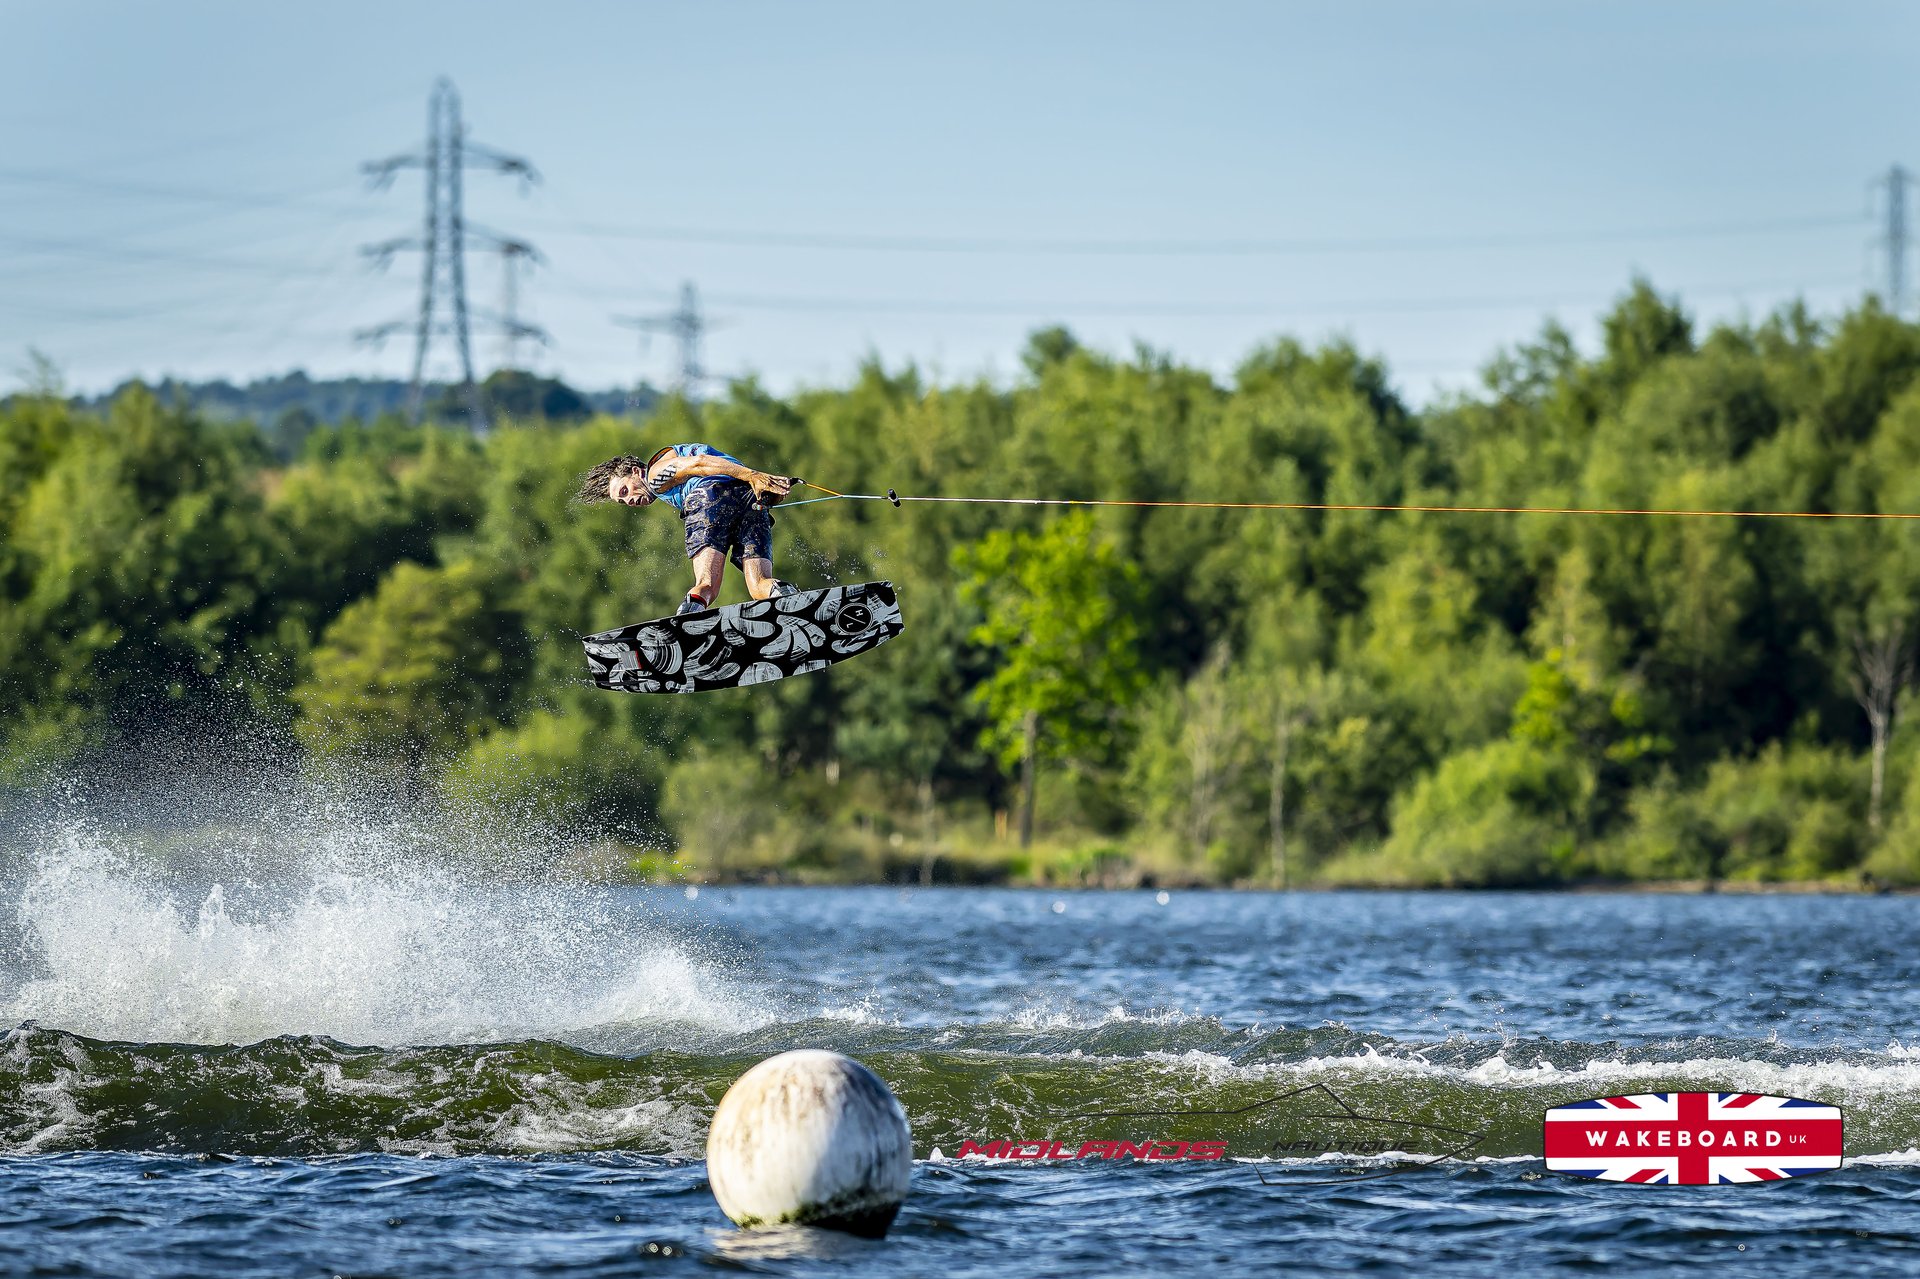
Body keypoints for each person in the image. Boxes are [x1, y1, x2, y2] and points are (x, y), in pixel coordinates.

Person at [577, 444, 799, 615]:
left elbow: (698, 463)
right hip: (749, 497)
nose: (630, 501)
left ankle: (686, 622)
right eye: (622, 501)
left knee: (707, 585)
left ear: (636, 472)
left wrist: (753, 476)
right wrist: (756, 479)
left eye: (625, 491)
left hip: (709, 499)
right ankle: (790, 600)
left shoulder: (655, 474)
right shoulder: (674, 459)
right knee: (760, 586)